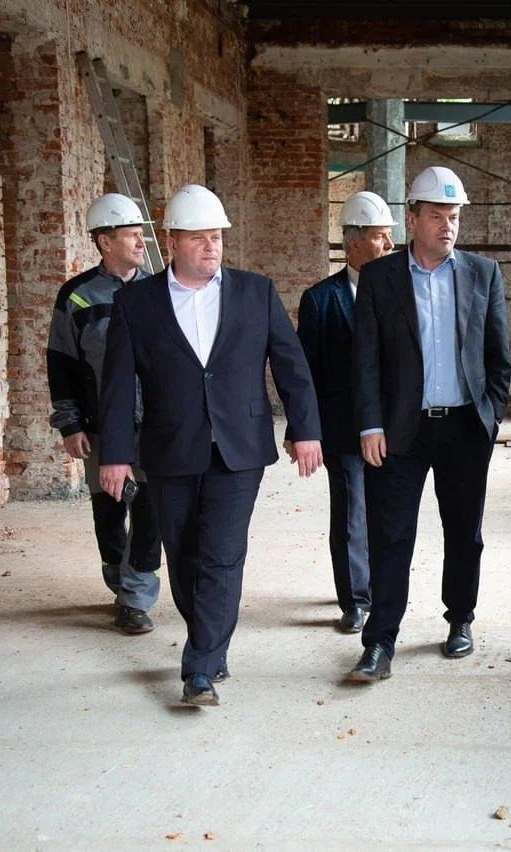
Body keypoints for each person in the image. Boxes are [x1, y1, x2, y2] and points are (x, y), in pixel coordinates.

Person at [97, 184, 323, 706]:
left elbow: (291, 365)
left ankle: (198, 668)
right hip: (170, 447)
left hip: (239, 447)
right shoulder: (136, 303)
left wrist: (305, 428)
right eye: (199, 238)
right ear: (172, 242)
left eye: (217, 237)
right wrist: (115, 455)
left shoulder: (255, 292)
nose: (211, 246)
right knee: (183, 555)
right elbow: (117, 386)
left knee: (222, 554)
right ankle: (210, 642)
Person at [348, 166, 511, 683]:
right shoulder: (380, 278)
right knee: (390, 536)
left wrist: (491, 416)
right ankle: (380, 642)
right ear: (413, 218)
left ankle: (460, 618)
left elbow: (499, 355)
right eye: (437, 216)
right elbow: (365, 359)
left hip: (464, 428)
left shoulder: (483, 273)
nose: (448, 226)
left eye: (454, 217)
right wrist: (369, 425)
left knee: (464, 533)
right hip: (401, 431)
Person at [46, 193, 162, 635]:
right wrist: (70, 424)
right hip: (99, 427)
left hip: (153, 427)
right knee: (109, 512)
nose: (140, 242)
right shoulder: (76, 297)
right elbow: (61, 363)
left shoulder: (158, 291)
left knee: (151, 511)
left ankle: (136, 597)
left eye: (140, 234)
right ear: (104, 241)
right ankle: (118, 577)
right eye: (132, 235)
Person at [286, 191, 396, 633]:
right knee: (351, 512)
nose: (389, 245)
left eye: (389, 236)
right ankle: (355, 600)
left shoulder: (399, 292)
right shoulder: (321, 299)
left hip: (391, 426)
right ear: (353, 242)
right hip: (342, 426)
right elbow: (305, 371)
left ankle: (383, 588)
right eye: (380, 236)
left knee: (385, 511)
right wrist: (300, 429)